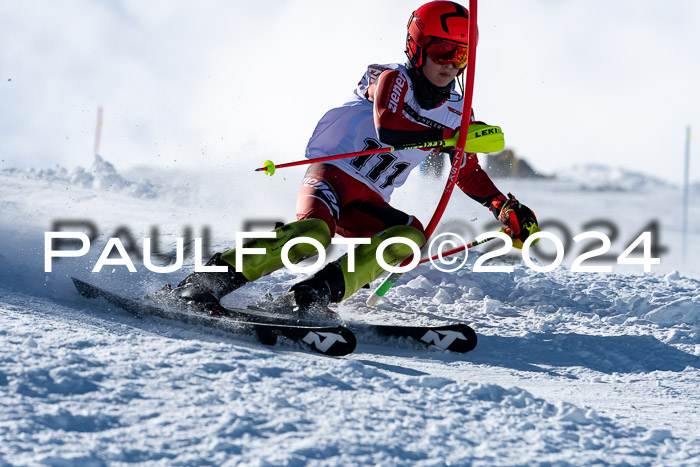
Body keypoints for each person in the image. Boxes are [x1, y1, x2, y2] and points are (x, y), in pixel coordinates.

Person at [170, 0, 538, 313]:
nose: (449, 64)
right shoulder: (394, 80)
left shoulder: (457, 113)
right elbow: (390, 128)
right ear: (418, 47)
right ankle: (202, 284)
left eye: (460, 55)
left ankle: (311, 296)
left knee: (409, 236)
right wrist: (451, 137)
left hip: (368, 199)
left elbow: (466, 172)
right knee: (313, 235)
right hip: (330, 175)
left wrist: (501, 207)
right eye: (442, 51)